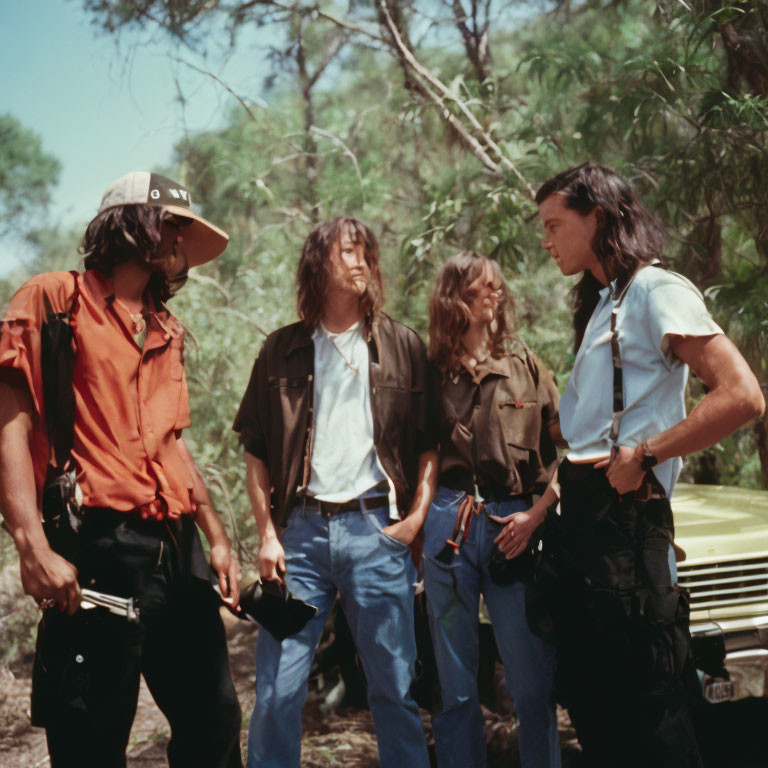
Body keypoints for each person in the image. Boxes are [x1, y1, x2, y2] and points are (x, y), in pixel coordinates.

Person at [495, 162, 765, 767]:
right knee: (596, 705)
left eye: (555, 224)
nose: (546, 240)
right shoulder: (605, 303)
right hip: (582, 527)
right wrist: (546, 505)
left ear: (599, 217)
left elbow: (743, 394)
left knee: (651, 711)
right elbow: (588, 440)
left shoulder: (654, 289)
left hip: (626, 528)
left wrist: (646, 454)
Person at [0, 171, 243, 768]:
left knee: (214, 723)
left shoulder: (166, 329)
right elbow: (9, 422)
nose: (181, 243)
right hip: (97, 546)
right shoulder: (54, 300)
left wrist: (215, 537)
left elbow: (172, 446)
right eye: (172, 225)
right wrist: (31, 545)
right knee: (91, 733)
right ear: (130, 223)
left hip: (176, 549)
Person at [233, 216, 435, 768]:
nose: (361, 262)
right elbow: (254, 449)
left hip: (377, 533)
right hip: (299, 539)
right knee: (277, 693)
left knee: (394, 688)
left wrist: (414, 521)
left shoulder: (402, 346)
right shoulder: (280, 350)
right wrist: (267, 535)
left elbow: (428, 447)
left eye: (367, 252)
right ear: (318, 262)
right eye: (348, 251)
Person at [422, 251, 561, 768]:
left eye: (499, 285)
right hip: (450, 523)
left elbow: (566, 450)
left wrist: (540, 514)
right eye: (485, 286)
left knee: (532, 687)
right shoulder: (430, 372)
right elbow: (413, 456)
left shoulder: (524, 366)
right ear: (456, 296)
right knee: (456, 690)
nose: (496, 294)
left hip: (516, 527)